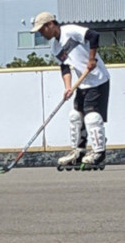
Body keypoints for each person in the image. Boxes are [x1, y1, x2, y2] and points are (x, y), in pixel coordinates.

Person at [31, 12, 110, 168]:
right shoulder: (55, 46)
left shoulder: (70, 31)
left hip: (98, 79)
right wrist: (68, 87)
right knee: (75, 115)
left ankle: (99, 153)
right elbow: (65, 68)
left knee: (92, 117)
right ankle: (78, 151)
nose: (41, 33)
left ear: (51, 24)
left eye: (42, 30)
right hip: (83, 83)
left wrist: (92, 59)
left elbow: (94, 36)